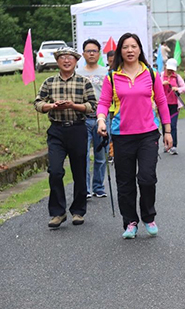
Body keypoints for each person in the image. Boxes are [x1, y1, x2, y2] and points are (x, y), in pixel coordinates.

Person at [97, 32, 172, 239]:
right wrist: (101, 119)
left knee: (147, 178)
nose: (130, 50)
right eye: (125, 47)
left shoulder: (151, 73)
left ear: (140, 49)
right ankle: (130, 221)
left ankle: (148, 216)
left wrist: (167, 130)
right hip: (121, 135)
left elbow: (162, 101)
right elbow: (103, 102)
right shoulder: (112, 76)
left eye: (133, 46)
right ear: (120, 51)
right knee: (125, 181)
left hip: (148, 134)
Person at [34, 47, 96, 228]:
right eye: (62, 58)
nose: (66, 61)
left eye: (70, 58)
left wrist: (74, 106)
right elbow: (38, 103)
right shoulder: (49, 82)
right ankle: (57, 213)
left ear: (76, 61)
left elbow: (92, 105)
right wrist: (51, 106)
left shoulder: (83, 82)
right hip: (56, 131)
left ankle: (78, 211)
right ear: (57, 61)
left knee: (79, 171)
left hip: (77, 129)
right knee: (55, 171)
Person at [77, 39, 108, 198]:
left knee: (101, 155)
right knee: (83, 156)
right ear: (83, 54)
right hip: (82, 118)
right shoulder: (78, 73)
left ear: (99, 53)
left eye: (94, 51)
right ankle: (85, 189)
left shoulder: (106, 72)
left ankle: (98, 187)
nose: (91, 53)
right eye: (88, 51)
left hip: (102, 119)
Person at [162, 58, 185, 155]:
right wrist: (162, 84)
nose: (170, 71)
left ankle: (173, 146)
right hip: (163, 105)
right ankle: (166, 144)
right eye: (169, 69)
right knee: (165, 125)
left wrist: (178, 89)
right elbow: (154, 87)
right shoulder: (161, 76)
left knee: (173, 125)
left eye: (172, 70)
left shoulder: (177, 77)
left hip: (174, 105)